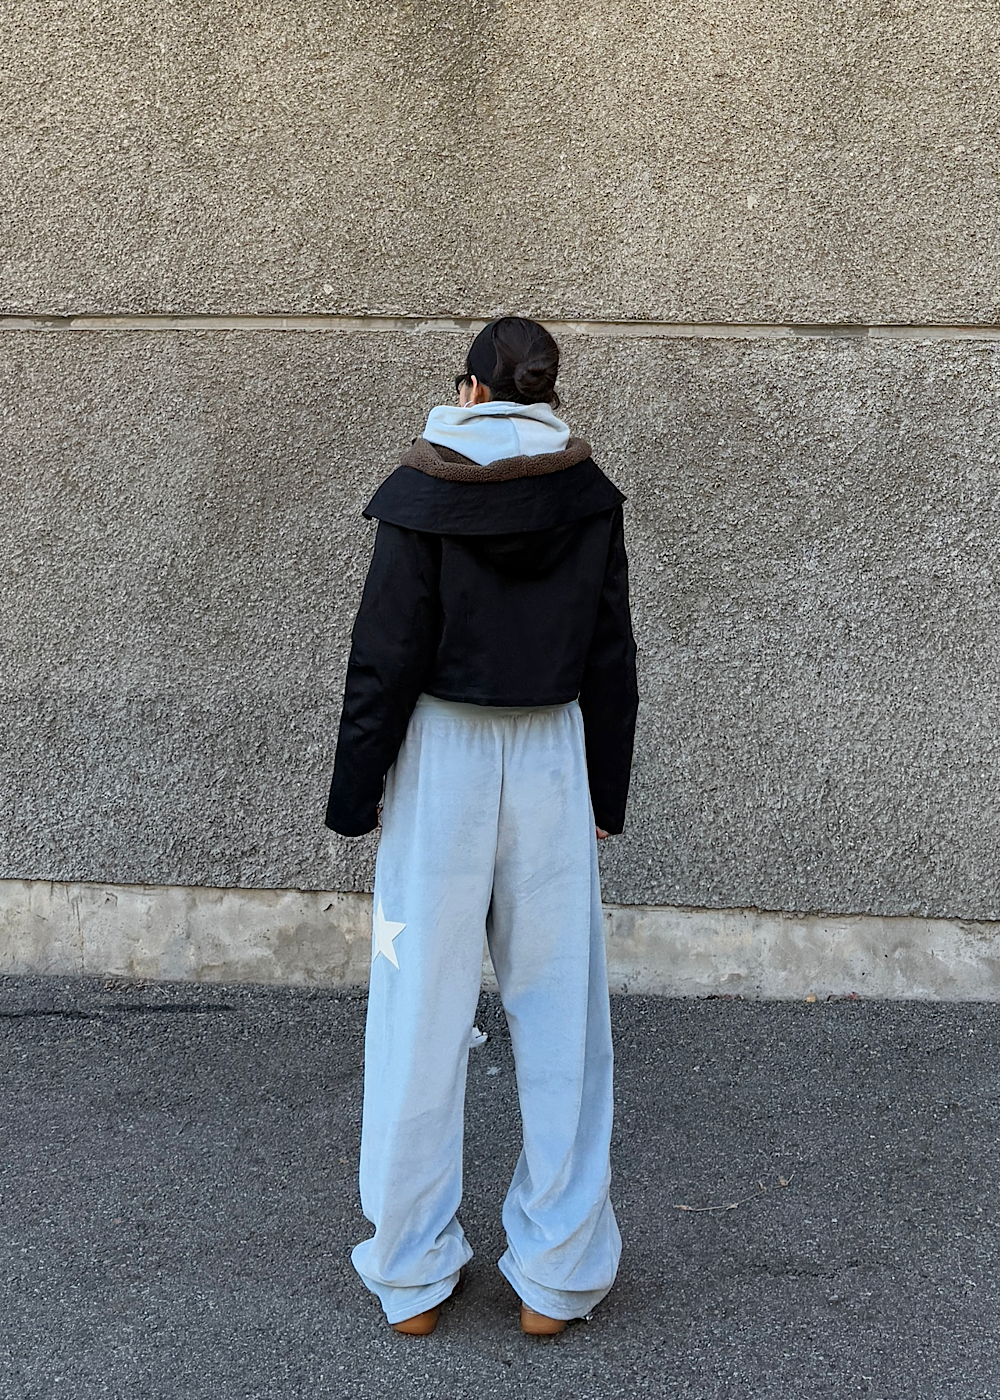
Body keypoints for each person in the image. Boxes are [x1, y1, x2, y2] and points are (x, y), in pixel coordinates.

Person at [325, 316, 638, 1337]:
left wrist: (356, 791)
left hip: (442, 757)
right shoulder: (585, 492)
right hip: (551, 753)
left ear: (467, 389)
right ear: (546, 392)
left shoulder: (422, 489)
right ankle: (557, 1275)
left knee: (418, 1014)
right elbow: (611, 651)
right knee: (561, 1020)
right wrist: (603, 793)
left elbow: (384, 653)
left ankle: (410, 1274)